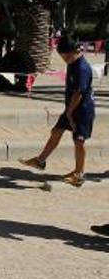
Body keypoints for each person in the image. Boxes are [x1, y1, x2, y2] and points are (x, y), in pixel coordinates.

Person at [20, 36, 95, 187]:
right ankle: (40, 161)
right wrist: (68, 112)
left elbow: (78, 93)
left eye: (67, 56)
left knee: (79, 141)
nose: (65, 59)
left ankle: (79, 174)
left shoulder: (82, 68)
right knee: (56, 131)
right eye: (63, 57)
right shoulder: (72, 63)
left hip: (82, 110)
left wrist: (70, 114)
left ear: (75, 51)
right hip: (71, 108)